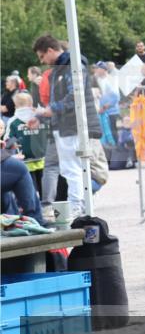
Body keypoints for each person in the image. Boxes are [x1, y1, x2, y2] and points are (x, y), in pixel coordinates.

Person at [31, 34, 102, 220]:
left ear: (50, 51)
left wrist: (50, 110)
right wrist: (44, 115)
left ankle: (78, 206)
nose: (42, 61)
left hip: (72, 125)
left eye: (42, 56)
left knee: (72, 168)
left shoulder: (70, 66)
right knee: (70, 168)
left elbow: (74, 97)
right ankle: (79, 204)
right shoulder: (61, 69)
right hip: (66, 125)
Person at [3, 92, 47, 194]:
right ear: (31, 103)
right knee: (44, 186)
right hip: (43, 158)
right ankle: (46, 206)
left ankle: (32, 205)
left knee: (30, 188)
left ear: (15, 105)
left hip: (25, 160)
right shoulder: (39, 118)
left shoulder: (13, 121)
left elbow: (7, 140)